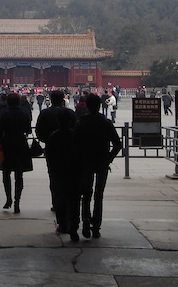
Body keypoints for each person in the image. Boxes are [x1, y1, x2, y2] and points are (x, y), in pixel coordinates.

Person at [73, 93, 121, 239]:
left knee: (86, 193)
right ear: (100, 106)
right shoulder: (106, 123)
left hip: (85, 162)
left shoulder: (80, 123)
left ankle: (86, 220)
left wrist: (78, 159)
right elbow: (117, 144)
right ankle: (96, 227)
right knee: (99, 195)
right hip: (101, 162)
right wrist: (109, 158)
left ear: (87, 106)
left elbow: (75, 145)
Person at [36, 89, 77, 211]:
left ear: (51, 99)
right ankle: (69, 202)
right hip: (70, 149)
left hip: (52, 149)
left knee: (54, 177)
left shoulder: (45, 113)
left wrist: (47, 140)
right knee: (69, 176)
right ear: (63, 98)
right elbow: (77, 130)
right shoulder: (70, 113)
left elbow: (39, 132)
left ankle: (56, 203)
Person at [46, 109, 80, 242]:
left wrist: (51, 169)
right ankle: (74, 227)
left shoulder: (54, 136)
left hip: (58, 171)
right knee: (74, 199)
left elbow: (49, 154)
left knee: (59, 199)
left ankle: (63, 224)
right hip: (73, 170)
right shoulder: (75, 135)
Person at [0, 92, 33, 213]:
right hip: (20, 143)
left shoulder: (4, 113)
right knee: (19, 174)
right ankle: (17, 202)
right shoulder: (24, 113)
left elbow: (0, 130)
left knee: (6, 173)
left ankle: (8, 199)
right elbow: (28, 130)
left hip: (7, 143)